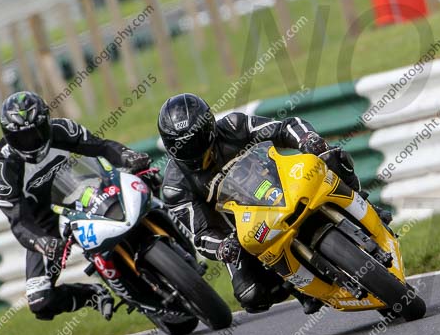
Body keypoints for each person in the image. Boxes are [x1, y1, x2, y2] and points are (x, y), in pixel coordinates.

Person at [158, 93, 391, 315]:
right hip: (240, 231)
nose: (192, 150)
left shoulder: (233, 125)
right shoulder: (175, 187)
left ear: (209, 126)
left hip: (282, 182)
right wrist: (222, 247)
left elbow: (284, 127)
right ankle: (296, 285)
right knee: (251, 295)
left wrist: (307, 139)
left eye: (196, 140)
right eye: (183, 145)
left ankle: (364, 205)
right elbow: (201, 234)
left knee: (331, 157)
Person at [0, 91, 152, 321]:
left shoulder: (62, 130)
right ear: (9, 136)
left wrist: (128, 156)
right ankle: (91, 295)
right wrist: (42, 243)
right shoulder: (3, 173)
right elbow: (19, 221)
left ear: (47, 122)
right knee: (39, 301)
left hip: (87, 190)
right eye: (22, 137)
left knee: (148, 177)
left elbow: (102, 147)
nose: (32, 141)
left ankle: (173, 221)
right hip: (46, 227)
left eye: (37, 132)